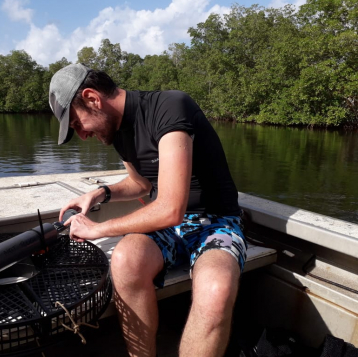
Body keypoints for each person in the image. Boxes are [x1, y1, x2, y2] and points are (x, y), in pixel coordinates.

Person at [48, 63, 247, 357]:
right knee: (126, 259)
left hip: (215, 223)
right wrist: (100, 193)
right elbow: (140, 183)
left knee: (216, 291)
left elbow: (170, 210)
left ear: (92, 99)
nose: (83, 135)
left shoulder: (170, 107)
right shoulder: (118, 131)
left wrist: (97, 229)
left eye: (77, 124)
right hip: (168, 229)